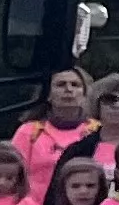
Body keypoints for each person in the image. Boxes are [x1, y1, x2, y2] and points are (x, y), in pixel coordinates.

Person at [11, 67, 92, 195]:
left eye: (75, 85)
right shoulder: (28, 131)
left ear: (85, 94)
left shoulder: (97, 131)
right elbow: (11, 176)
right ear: (47, 94)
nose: (68, 89)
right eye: (61, 85)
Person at [54, 71, 119, 179]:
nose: (117, 105)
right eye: (109, 99)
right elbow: (58, 191)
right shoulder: (78, 151)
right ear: (97, 105)